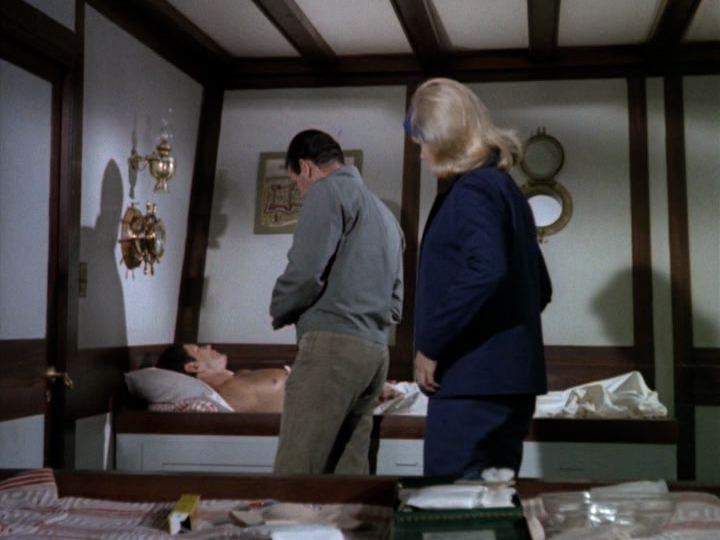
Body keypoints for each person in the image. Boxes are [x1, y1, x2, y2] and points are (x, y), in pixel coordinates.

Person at [404, 78, 552, 478]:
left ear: (446, 138)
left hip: (471, 386)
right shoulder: (506, 189)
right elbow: (539, 288)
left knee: (451, 504)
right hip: (509, 384)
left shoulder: (472, 189)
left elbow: (486, 269)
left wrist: (432, 344)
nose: (421, 153)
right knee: (492, 506)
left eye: (423, 141)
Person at [269, 129, 404, 475]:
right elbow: (396, 302)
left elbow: (305, 272)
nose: (301, 190)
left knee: (297, 471)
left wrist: (279, 309)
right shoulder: (385, 215)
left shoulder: (327, 191)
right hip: (376, 352)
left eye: (297, 182)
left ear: (306, 167)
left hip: (332, 349)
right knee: (348, 475)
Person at [157, 343, 289, 413]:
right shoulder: (229, 393)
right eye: (198, 349)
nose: (208, 346)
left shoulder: (236, 376)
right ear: (195, 367)